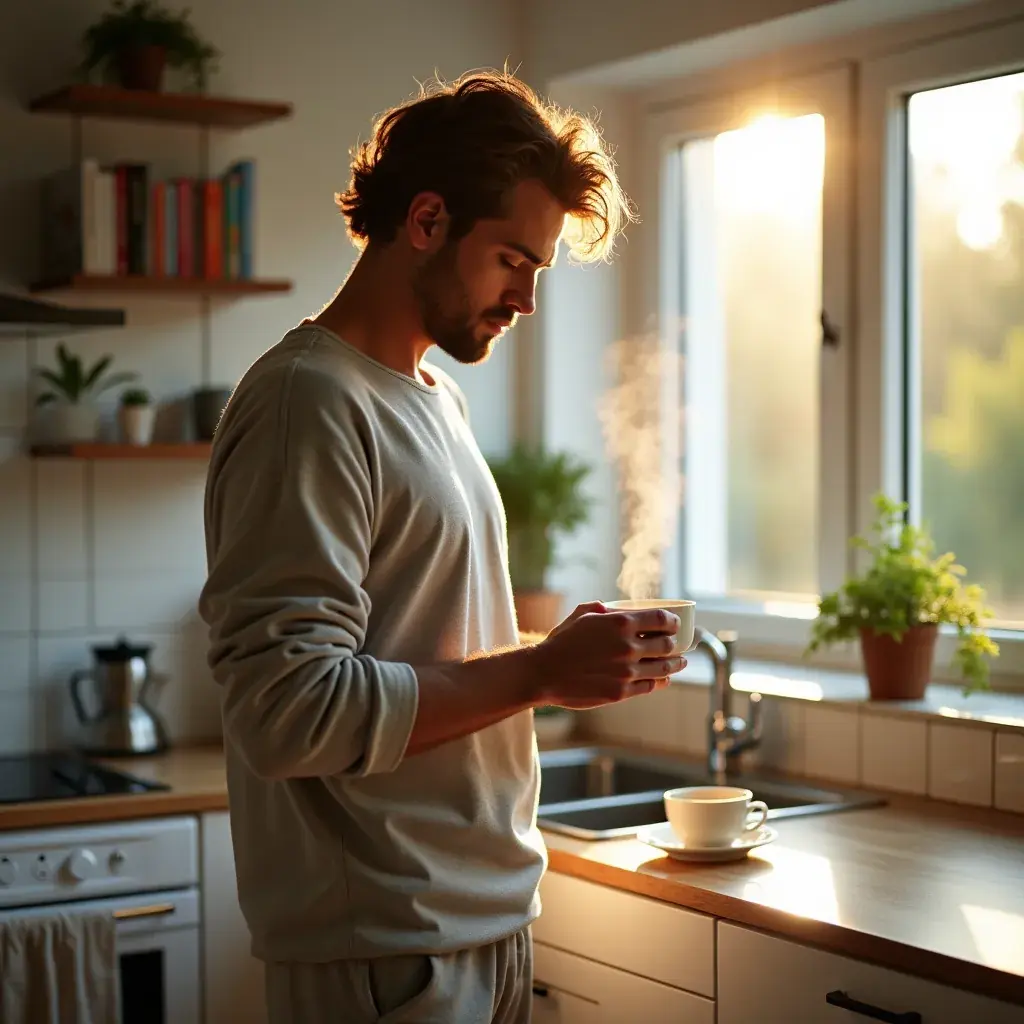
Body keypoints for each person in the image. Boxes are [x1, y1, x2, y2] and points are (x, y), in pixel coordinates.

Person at [198, 68, 687, 1024]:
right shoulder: (310, 401)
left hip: (477, 922)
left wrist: (554, 660)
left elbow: (424, 654)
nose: (528, 300)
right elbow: (287, 712)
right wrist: (541, 673)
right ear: (426, 221)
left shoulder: (434, 398)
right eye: (513, 259)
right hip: (384, 948)